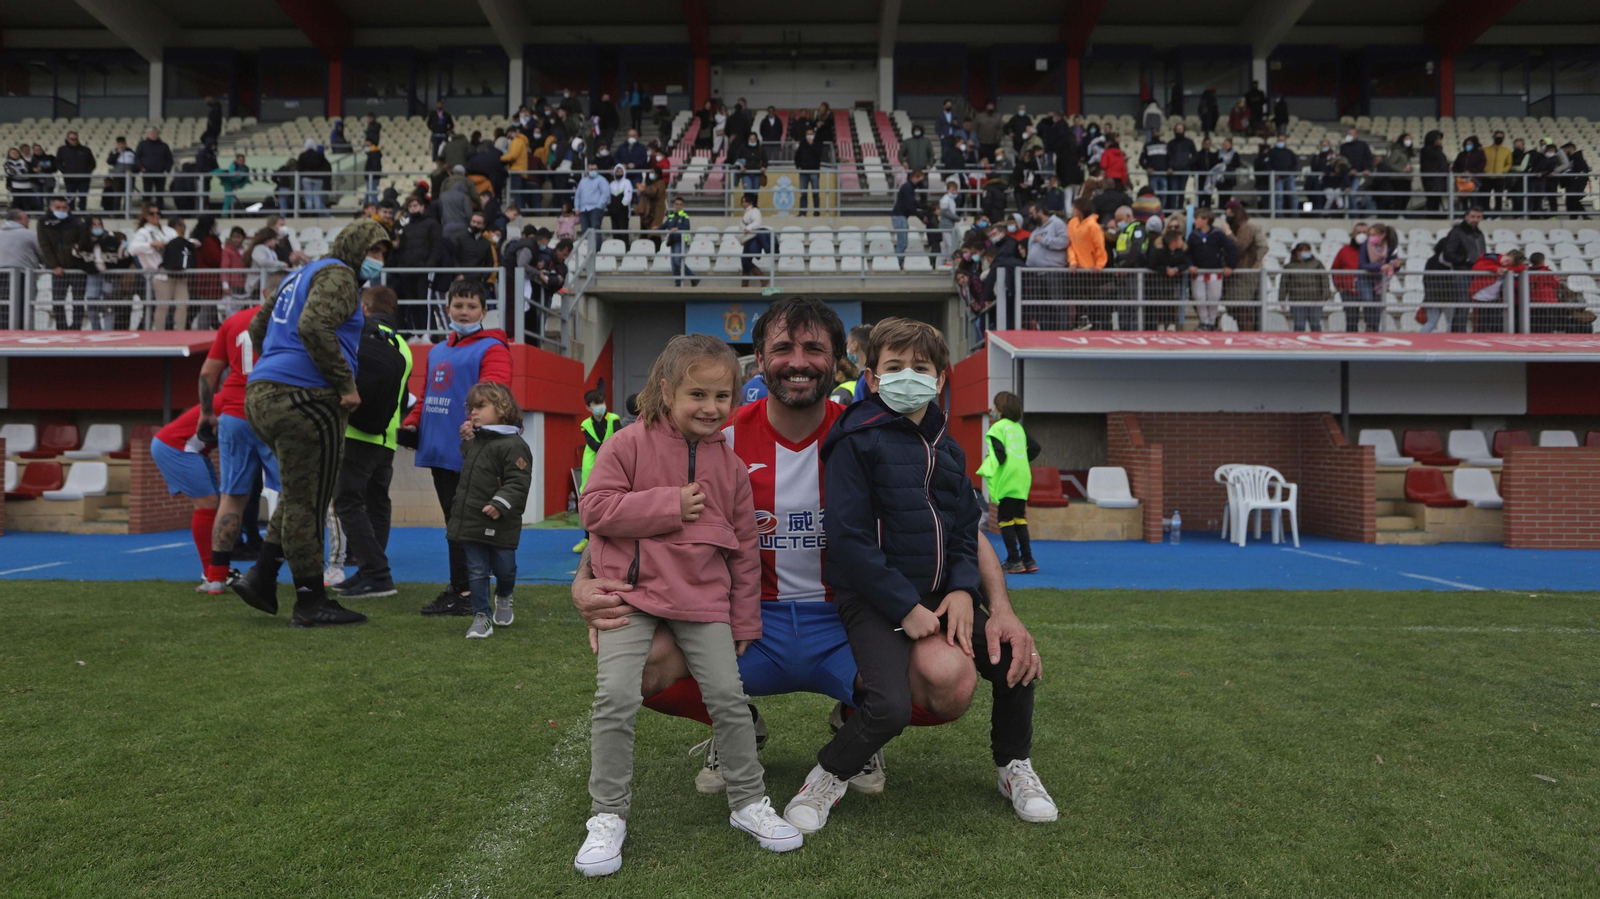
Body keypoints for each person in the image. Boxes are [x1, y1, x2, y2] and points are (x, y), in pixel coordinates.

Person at [571, 297, 1047, 817]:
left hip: (848, 620)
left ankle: (857, 723)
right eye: (783, 348)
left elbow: (956, 525)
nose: (798, 361)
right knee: (638, 663)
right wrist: (584, 580)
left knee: (950, 679)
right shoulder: (716, 434)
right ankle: (735, 724)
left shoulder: (870, 434)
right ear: (759, 358)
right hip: (744, 622)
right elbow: (626, 508)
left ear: (839, 361)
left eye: (814, 349)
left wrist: (1001, 609)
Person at [781, 317, 1050, 833]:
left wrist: (963, 591)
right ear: (872, 377)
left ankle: (1014, 765)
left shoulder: (947, 446)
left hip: (941, 596)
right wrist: (904, 606)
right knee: (889, 707)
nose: (909, 375)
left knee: (1015, 655)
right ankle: (827, 776)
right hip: (875, 600)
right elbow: (848, 538)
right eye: (895, 366)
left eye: (921, 367)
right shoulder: (855, 438)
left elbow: (964, 529)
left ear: (940, 378)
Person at [575, 333, 801, 876]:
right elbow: (594, 509)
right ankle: (607, 815)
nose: (710, 407)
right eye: (697, 394)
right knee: (615, 697)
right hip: (631, 597)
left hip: (704, 603)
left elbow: (744, 550)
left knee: (728, 698)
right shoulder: (626, 444)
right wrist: (669, 505)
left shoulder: (732, 467)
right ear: (665, 390)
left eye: (722, 396)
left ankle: (749, 802)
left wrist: (744, 619)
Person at [227, 219, 393, 628]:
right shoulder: (340, 276)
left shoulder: (299, 274)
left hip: (262, 391)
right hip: (306, 397)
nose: (377, 260)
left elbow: (257, 327)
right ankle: (310, 600)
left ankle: (262, 576)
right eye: (373, 250)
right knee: (309, 503)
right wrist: (344, 384)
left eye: (382, 253)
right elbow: (314, 327)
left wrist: (276, 363)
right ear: (354, 247)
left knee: (300, 491)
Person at [398, 280, 512, 617]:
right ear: (447, 308)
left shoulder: (492, 349)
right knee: (454, 524)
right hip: (439, 450)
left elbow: (495, 398)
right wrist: (413, 423)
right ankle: (463, 589)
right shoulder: (436, 350)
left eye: (471, 306)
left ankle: (466, 592)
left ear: (484, 311)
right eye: (458, 305)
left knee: (465, 525)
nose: (464, 311)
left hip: (471, 453)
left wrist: (476, 425)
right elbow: (427, 394)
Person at [332, 286, 413, 600]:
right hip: (386, 437)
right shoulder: (402, 346)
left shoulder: (358, 335)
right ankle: (370, 571)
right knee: (378, 503)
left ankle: (376, 573)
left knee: (347, 501)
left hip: (357, 432)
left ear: (364, 307)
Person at [200, 294, 280, 586]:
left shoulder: (234, 321)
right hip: (276, 413)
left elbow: (208, 372)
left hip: (235, 412)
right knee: (294, 495)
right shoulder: (293, 319)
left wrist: (206, 413)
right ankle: (299, 577)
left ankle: (216, 577)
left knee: (231, 496)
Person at [443, 381, 532, 640]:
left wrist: (500, 503)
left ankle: (504, 595)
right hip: (472, 519)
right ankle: (481, 617)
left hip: (501, 522)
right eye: (471, 407)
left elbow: (518, 481)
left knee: (505, 569)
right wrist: (467, 441)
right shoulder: (478, 440)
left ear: (502, 409)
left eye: (481, 406)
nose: (474, 412)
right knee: (476, 570)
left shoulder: (514, 444)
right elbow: (475, 468)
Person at [149, 404, 226, 592]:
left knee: (216, 506)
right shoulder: (237, 399)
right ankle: (211, 574)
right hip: (176, 446)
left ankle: (216, 571)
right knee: (207, 505)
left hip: (193, 449)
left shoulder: (238, 397)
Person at [978, 391, 1036, 574]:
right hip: (1022, 477)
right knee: (1020, 518)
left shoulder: (998, 427)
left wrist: (988, 465)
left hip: (1007, 478)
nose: (992, 409)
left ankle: (1013, 559)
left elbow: (999, 455)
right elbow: (1035, 447)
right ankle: (1028, 559)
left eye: (995, 405)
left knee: (1005, 520)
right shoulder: (1018, 428)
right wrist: (1021, 460)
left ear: (1000, 409)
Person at [573, 385, 622, 555]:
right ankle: (587, 538)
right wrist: (606, 448)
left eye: (601, 402)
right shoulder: (585, 424)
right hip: (591, 463)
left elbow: (619, 437)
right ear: (588, 407)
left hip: (612, 461)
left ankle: (612, 536)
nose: (600, 406)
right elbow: (592, 444)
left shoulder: (614, 419)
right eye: (596, 403)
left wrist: (609, 451)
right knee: (588, 499)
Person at [38, 196, 88, 331]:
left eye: (64, 207)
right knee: (58, 301)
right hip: (58, 269)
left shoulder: (76, 222)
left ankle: (76, 328)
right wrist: (54, 266)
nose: (61, 210)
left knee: (78, 301)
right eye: (58, 207)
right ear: (51, 208)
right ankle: (61, 328)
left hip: (77, 268)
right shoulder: (43, 222)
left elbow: (83, 242)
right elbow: (45, 246)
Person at [1187, 209, 1237, 331]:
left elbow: (1231, 248)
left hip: (1215, 272)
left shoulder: (1217, 234)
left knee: (1214, 297)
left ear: (1205, 220)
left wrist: (1230, 265)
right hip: (1198, 273)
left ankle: (1212, 321)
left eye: (1197, 218)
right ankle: (1204, 321)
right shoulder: (1193, 236)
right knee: (1199, 297)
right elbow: (1187, 253)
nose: (1194, 221)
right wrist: (1190, 265)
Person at [1222, 202, 1263, 331]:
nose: (1227, 216)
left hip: (1244, 274)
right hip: (1234, 274)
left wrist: (1228, 233)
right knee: (1236, 307)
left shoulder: (1246, 227)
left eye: (1229, 213)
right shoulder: (1237, 227)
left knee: (1243, 307)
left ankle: (1247, 334)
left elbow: (1240, 246)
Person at [1355, 223, 1399, 332]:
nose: (1371, 237)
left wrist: (1396, 265)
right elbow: (1362, 264)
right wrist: (1380, 267)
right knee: (1368, 300)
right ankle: (1370, 326)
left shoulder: (1389, 246)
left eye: (1374, 235)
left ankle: (1375, 329)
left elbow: (1392, 263)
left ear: (1382, 235)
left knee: (1378, 305)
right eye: (1370, 235)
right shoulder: (1365, 245)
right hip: (1365, 278)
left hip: (1380, 280)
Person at [155, 217, 195, 332]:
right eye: (182, 225)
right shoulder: (163, 237)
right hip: (164, 277)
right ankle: (159, 333)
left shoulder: (185, 242)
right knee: (163, 306)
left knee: (182, 305)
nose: (184, 228)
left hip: (180, 277)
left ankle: (180, 332)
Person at [1145, 228, 1189, 331]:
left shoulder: (1181, 252)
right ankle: (1160, 324)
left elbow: (1185, 263)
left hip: (1173, 283)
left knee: (1172, 304)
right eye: (1180, 239)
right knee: (1159, 304)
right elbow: (1151, 264)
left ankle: (1171, 324)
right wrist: (1165, 269)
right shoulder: (1159, 251)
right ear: (1173, 241)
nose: (1182, 242)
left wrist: (1176, 269)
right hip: (1158, 284)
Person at [1282, 242, 1330, 332]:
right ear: (1297, 252)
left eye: (1308, 250)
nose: (1307, 252)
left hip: (1315, 300)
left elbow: (1324, 279)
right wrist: (1282, 299)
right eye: (1304, 250)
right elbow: (1284, 284)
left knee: (1315, 324)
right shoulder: (1289, 266)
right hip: (1296, 300)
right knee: (1299, 325)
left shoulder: (1317, 264)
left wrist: (1325, 295)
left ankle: (1316, 340)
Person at [1330, 223, 1368, 331]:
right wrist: (1340, 286)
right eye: (1359, 232)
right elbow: (1335, 269)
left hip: (1369, 291)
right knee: (1351, 320)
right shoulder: (1344, 251)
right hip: (1349, 292)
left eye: (1365, 233)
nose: (1362, 235)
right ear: (1353, 234)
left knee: (1371, 320)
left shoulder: (1373, 251)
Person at [56, 132, 95, 212]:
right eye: (72, 139)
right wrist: (65, 172)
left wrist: (86, 172)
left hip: (83, 179)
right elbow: (58, 162)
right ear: (67, 139)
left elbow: (92, 163)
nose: (74, 141)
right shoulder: (62, 150)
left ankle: (82, 213)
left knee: (83, 197)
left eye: (76, 139)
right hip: (70, 179)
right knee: (70, 198)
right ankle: (71, 213)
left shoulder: (85, 150)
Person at [134, 128, 173, 207]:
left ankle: (160, 210)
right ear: (148, 134)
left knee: (160, 194)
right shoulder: (142, 144)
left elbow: (169, 159)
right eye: (152, 133)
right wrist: (142, 168)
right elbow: (137, 158)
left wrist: (166, 170)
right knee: (147, 194)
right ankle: (146, 211)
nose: (153, 135)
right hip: (147, 173)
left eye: (155, 133)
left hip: (161, 173)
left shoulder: (164, 146)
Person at [664, 196, 697, 287]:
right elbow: (665, 225)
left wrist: (678, 228)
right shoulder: (671, 216)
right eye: (676, 204)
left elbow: (686, 227)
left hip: (681, 241)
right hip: (673, 241)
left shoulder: (685, 216)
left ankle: (693, 277)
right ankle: (678, 284)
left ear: (683, 206)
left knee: (678, 261)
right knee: (674, 264)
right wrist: (656, 228)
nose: (678, 206)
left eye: (680, 204)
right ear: (673, 205)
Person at [575, 162, 609, 250]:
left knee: (595, 229)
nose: (592, 171)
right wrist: (577, 208)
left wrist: (599, 206)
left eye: (594, 169)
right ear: (587, 170)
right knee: (585, 231)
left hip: (596, 209)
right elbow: (578, 195)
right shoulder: (582, 181)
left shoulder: (601, 180)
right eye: (591, 169)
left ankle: (596, 251)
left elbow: (605, 194)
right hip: (583, 210)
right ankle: (586, 250)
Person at [891, 169, 924, 258]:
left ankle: (898, 262)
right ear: (915, 177)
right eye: (920, 179)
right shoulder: (908, 188)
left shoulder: (909, 187)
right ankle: (897, 263)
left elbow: (913, 203)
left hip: (901, 217)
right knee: (902, 243)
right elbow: (910, 206)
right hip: (900, 217)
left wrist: (925, 207)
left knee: (902, 243)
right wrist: (921, 217)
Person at [794, 128, 825, 216]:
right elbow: (797, 155)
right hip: (804, 171)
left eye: (811, 134)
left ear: (814, 134)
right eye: (808, 134)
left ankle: (816, 212)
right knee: (803, 193)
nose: (809, 136)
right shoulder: (803, 143)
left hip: (814, 171)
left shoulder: (818, 143)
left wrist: (812, 145)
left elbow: (819, 155)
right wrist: (798, 165)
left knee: (815, 193)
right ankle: (802, 212)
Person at [1166, 123, 1196, 212]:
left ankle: (1180, 210)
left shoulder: (1189, 142)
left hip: (1184, 170)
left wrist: (1187, 163)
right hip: (1173, 171)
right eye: (1177, 129)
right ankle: (1172, 211)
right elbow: (1167, 156)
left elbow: (1195, 155)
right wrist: (1169, 166)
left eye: (1180, 129)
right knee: (1173, 191)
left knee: (1182, 191)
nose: (1179, 131)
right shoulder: (1171, 143)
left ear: (1184, 130)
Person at [740, 192, 768, 287]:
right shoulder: (748, 212)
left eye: (745, 202)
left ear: (750, 202)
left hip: (752, 238)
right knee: (745, 262)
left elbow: (757, 223)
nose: (743, 204)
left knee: (745, 261)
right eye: (742, 202)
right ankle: (744, 286)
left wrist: (749, 228)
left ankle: (762, 279)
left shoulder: (754, 211)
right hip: (747, 239)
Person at [1420, 130, 1449, 213]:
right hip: (1431, 182)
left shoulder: (1438, 150)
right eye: (1437, 139)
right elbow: (1432, 164)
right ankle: (1431, 216)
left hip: (1439, 181)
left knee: (1437, 202)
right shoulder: (1427, 150)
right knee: (1432, 202)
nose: (1440, 141)